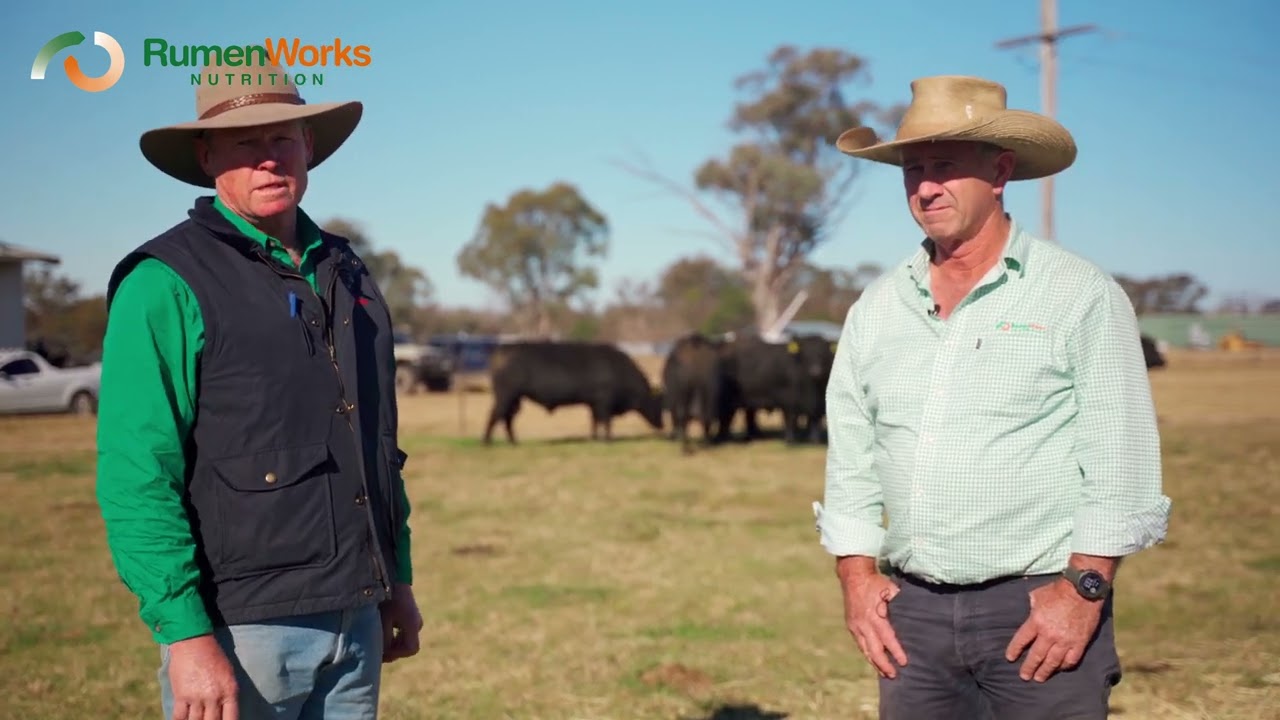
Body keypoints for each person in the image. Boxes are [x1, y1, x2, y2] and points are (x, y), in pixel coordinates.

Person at [813, 75, 1172, 719]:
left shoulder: (1078, 294)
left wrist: (1084, 590)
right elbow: (853, 456)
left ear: (1001, 170)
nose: (925, 187)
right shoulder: (877, 307)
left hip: (1037, 605)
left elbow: (1121, 462)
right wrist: (857, 576)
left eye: (945, 167)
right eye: (913, 169)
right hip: (911, 615)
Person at [94, 51, 422, 720]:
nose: (269, 158)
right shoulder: (163, 282)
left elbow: (376, 444)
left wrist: (396, 579)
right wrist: (185, 633)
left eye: (281, 138)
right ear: (208, 156)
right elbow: (137, 473)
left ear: (308, 145)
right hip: (241, 632)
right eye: (246, 143)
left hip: (356, 612)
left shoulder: (348, 271)